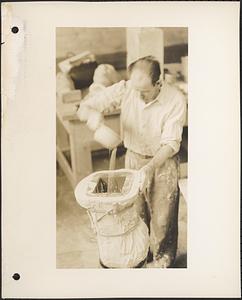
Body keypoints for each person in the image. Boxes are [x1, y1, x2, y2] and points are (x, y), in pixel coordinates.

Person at [77, 56, 187, 268]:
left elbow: (171, 143)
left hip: (163, 162)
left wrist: (149, 168)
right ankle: (142, 253)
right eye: (136, 91)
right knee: (135, 214)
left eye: (145, 92)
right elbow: (87, 105)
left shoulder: (175, 100)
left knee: (163, 219)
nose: (140, 96)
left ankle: (163, 261)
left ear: (159, 82)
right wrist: (93, 118)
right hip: (134, 157)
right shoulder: (127, 88)